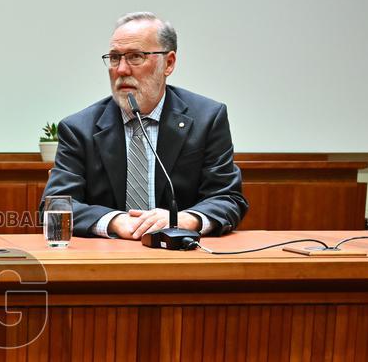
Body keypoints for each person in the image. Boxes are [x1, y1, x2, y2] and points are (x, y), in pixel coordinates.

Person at [41, 12, 248, 239]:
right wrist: (114, 220)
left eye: (135, 57)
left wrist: (187, 219)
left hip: (183, 256)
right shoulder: (79, 129)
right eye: (114, 58)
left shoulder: (207, 119)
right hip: (104, 258)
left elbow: (228, 198)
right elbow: (56, 206)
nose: (121, 69)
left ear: (168, 63)